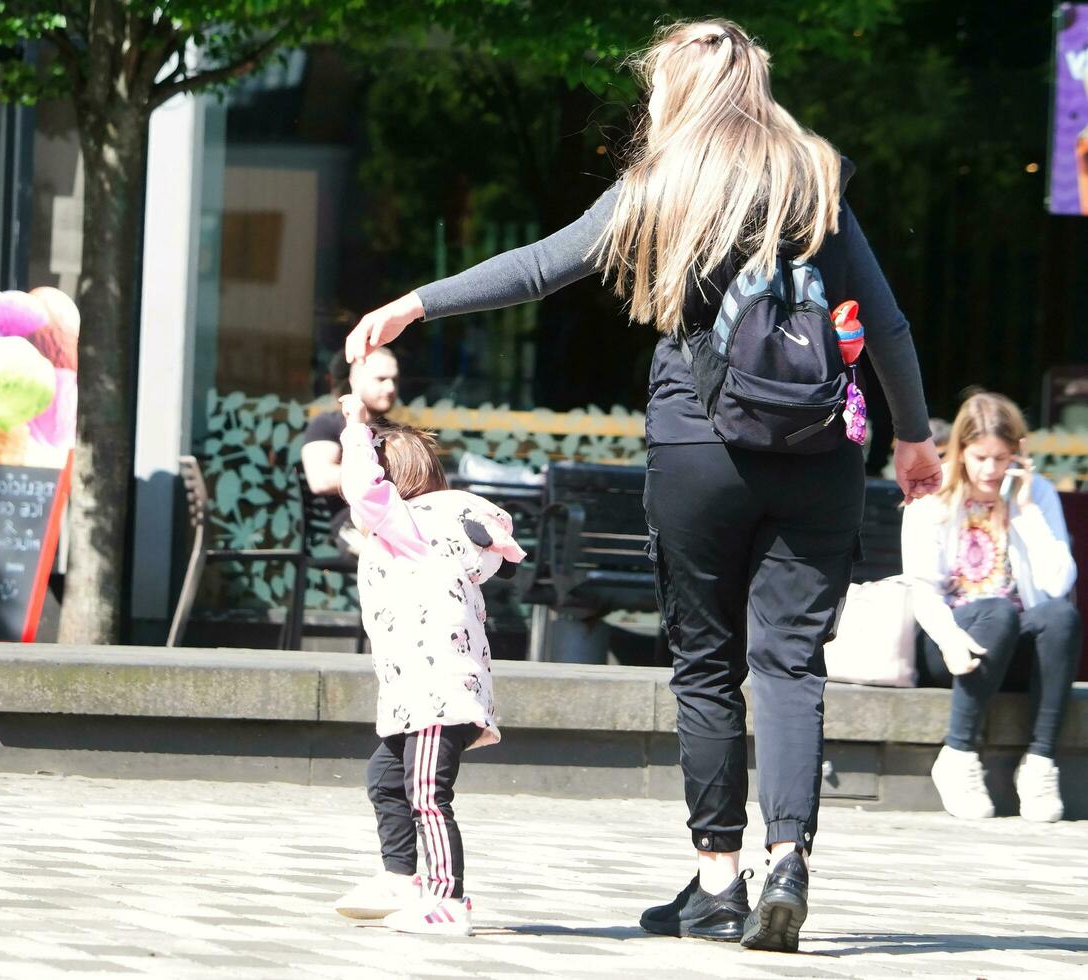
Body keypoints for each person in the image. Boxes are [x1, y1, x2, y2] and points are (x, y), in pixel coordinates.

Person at [344, 19, 943, 953]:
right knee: (787, 661)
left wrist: (416, 302)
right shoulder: (812, 177)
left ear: (677, 92)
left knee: (707, 666)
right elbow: (892, 328)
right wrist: (913, 436)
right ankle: (789, 859)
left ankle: (717, 880)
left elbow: (542, 267)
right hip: (821, 448)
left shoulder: (665, 184)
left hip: (699, 447)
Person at [329, 392, 524, 937]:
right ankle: (400, 878)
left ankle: (446, 899)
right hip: (423, 691)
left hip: (436, 691)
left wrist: (355, 428)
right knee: (386, 777)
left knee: (427, 796)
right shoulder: (436, 525)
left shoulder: (411, 525)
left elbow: (365, 492)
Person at [903, 391, 1080, 823]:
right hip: (949, 646)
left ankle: (1040, 763)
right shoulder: (934, 490)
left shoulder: (1033, 493)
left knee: (1060, 616)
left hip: (1009, 647)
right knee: (996, 611)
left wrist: (1026, 510)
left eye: (1001, 459)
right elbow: (922, 590)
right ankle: (958, 754)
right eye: (980, 457)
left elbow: (1059, 583)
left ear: (1017, 454)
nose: (990, 470)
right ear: (961, 449)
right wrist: (949, 640)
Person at [301, 347, 400, 552]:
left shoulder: (396, 432)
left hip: (396, 522)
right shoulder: (326, 424)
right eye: (381, 379)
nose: (391, 388)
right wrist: (381, 473)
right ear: (354, 382)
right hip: (351, 527)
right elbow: (320, 479)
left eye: (395, 380)